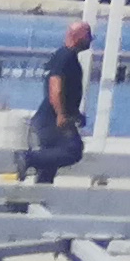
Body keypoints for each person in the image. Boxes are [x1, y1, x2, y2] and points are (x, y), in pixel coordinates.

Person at [24, 16, 93, 183]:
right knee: (72, 151)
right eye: (88, 36)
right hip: (52, 118)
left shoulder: (65, 56)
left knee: (51, 161)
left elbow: (66, 92)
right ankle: (27, 159)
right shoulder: (65, 57)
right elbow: (56, 87)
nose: (90, 41)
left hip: (51, 117)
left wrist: (75, 113)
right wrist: (61, 114)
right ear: (79, 37)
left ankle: (40, 194)